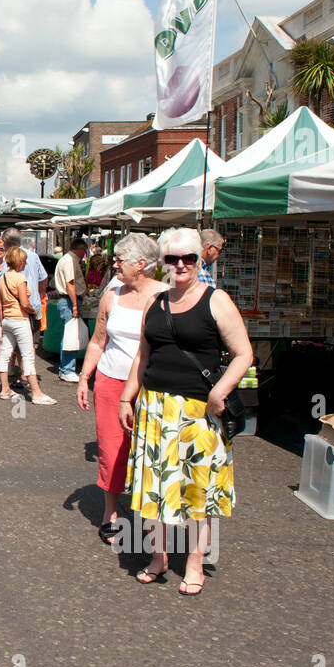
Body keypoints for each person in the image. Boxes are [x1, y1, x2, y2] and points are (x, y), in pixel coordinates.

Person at [120, 227, 252, 595]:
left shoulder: (216, 300)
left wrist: (220, 392)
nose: (180, 265)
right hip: (155, 409)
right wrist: (126, 398)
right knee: (154, 488)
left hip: (198, 413)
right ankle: (159, 557)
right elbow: (144, 355)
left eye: (188, 258)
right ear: (162, 263)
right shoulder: (156, 302)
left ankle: (194, 564)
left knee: (197, 491)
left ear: (199, 259)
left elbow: (244, 354)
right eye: (172, 259)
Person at [76, 233, 167, 545]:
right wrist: (85, 377)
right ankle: (111, 513)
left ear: (141, 265)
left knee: (152, 452)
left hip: (152, 387)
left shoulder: (166, 296)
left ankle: (154, 518)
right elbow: (99, 340)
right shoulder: (112, 293)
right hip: (110, 382)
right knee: (112, 450)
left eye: (120, 260)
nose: (114, 264)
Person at [0, 245, 56, 405]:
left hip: (7, 319)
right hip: (20, 319)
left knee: (6, 353)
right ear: (18, 261)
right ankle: (36, 392)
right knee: (28, 355)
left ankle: (5, 388)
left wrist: (2, 320)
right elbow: (24, 303)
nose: (25, 264)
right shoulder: (20, 279)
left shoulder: (3, 277)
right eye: (23, 261)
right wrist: (33, 312)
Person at [54, 237, 89, 382]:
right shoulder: (69, 260)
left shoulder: (70, 259)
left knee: (70, 334)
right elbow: (70, 284)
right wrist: (75, 305)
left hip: (69, 300)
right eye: (84, 251)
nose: (84, 254)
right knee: (70, 335)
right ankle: (67, 369)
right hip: (68, 300)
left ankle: (67, 367)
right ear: (80, 249)